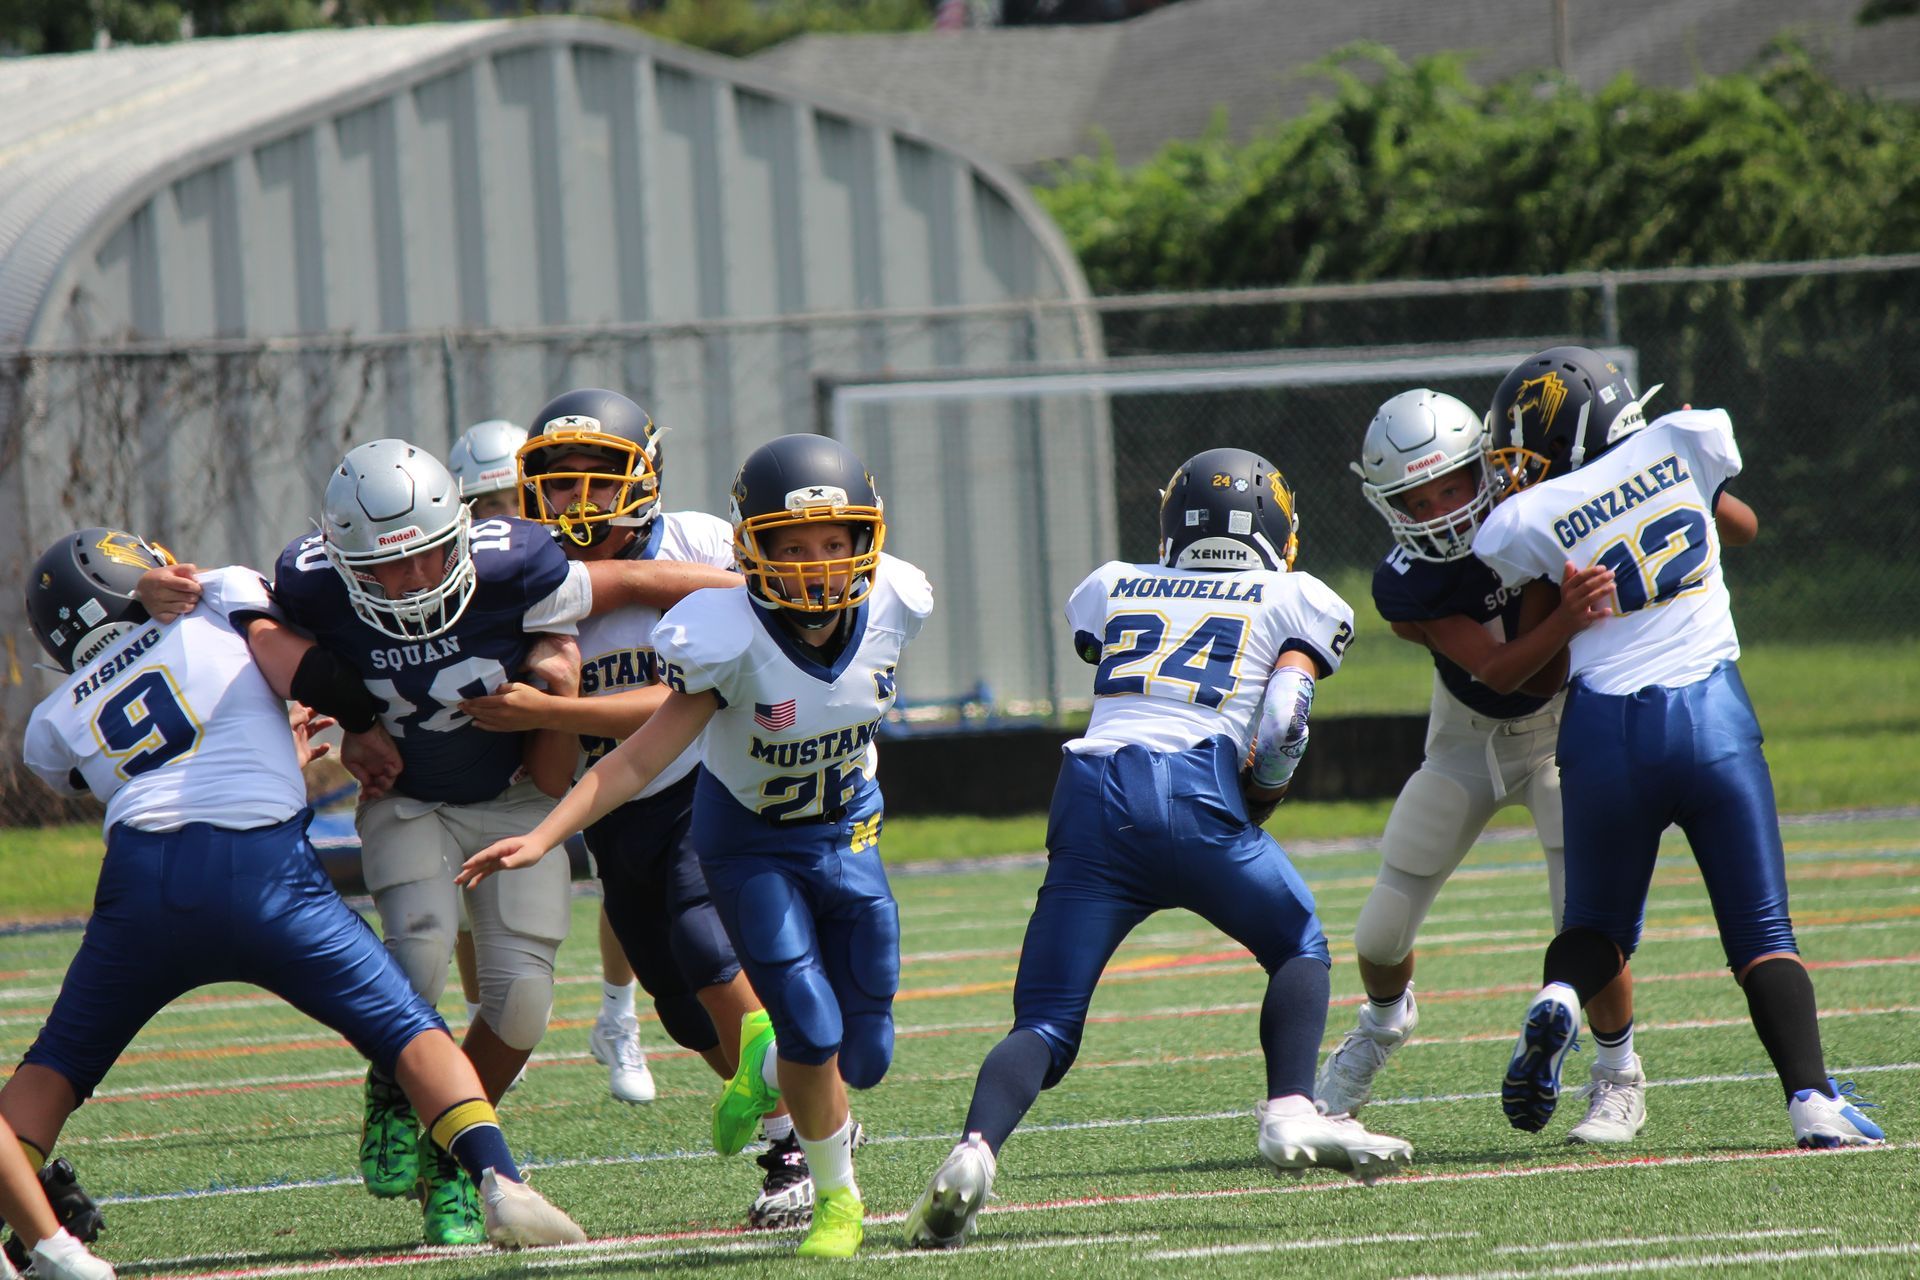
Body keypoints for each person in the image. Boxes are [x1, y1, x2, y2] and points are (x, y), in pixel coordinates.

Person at [134, 439, 729, 1244]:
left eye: (426, 556)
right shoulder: (308, 581)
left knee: (520, 1004)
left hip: (516, 794)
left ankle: (445, 1153)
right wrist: (155, 594)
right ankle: (393, 1088)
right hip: (408, 794)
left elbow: (632, 579)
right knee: (414, 955)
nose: (411, 581)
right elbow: (223, 602)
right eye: (384, 568)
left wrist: (757, 597)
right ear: (341, 560)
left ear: (458, 532)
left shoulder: (516, 562)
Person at [6, 528, 584, 1260]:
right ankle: (500, 1182)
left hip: (141, 887)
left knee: (53, 1069)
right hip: (262, 869)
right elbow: (315, 675)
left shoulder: (47, 725)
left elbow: (133, 762)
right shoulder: (223, 603)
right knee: (408, 1029)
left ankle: (34, 1235)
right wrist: (358, 724)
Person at [903, 447, 1412, 1252]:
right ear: (1279, 531)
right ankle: (1288, 1109)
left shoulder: (1112, 583)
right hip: (1195, 788)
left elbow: (1106, 656)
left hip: (1089, 798)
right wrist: (1263, 800)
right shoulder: (1294, 595)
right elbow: (1283, 717)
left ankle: (975, 1151)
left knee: (1043, 1021)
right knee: (1295, 944)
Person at [457, 433, 932, 1259]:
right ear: (754, 552)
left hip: (847, 835)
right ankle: (834, 1201)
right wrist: (542, 836)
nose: (817, 565)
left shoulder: (897, 600)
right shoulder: (728, 633)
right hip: (748, 844)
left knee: (868, 1051)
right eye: (793, 548)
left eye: (833, 543)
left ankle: (765, 1066)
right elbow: (641, 757)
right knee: (807, 1024)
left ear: (866, 540)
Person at [1473, 346, 1884, 1149]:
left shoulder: (1530, 517)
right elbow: (1741, 523)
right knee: (1762, 931)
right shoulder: (1686, 439)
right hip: (1712, 717)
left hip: (1603, 731)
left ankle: (1560, 995)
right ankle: (1813, 1103)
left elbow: (1522, 604)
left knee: (1599, 923)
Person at [459, 388, 808, 1227]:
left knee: (704, 933)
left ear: (643, 479)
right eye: (561, 484)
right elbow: (550, 773)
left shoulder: (693, 540)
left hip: (711, 781)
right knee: (686, 1011)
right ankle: (792, 1113)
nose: (579, 503)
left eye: (599, 481)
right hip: (614, 811)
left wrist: (554, 704)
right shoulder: (520, 578)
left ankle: (796, 1145)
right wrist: (552, 690)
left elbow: (695, 689)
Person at [1322, 389, 1645, 1144]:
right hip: (1467, 741)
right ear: (1387, 504)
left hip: (1564, 738)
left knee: (1585, 925)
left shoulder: (1542, 512)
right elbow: (1506, 673)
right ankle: (1381, 1025)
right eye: (1415, 496)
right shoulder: (1405, 584)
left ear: (1488, 469)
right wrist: (1563, 613)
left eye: (1452, 486)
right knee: (1378, 934)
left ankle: (1618, 1076)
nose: (1438, 509)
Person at [448, 414, 657, 1107]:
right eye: (485, 506)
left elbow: (634, 586)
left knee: (625, 868)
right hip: (506, 739)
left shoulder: (578, 553)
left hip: (581, 729)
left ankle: (618, 1016)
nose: (505, 519)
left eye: (513, 498)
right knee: (473, 876)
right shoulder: (447, 572)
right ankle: (490, 1021)